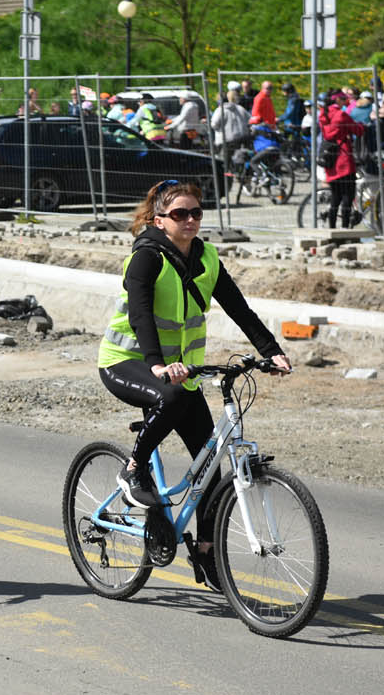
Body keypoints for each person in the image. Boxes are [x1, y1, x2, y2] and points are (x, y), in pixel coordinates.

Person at [96, 179, 290, 588]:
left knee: (210, 465)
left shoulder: (207, 259)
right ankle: (133, 470)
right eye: (180, 214)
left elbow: (239, 308)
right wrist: (155, 365)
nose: (189, 220)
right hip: (127, 362)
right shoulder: (147, 257)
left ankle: (205, 553)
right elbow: (141, 316)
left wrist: (271, 350)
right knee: (168, 396)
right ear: (160, 219)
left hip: (180, 371)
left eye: (196, 213)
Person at [319, 102, 365, 229]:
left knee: (335, 198)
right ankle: (345, 228)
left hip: (331, 162)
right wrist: (363, 126)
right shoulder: (341, 115)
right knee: (347, 197)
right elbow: (358, 130)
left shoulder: (323, 117)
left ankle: (332, 228)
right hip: (344, 160)